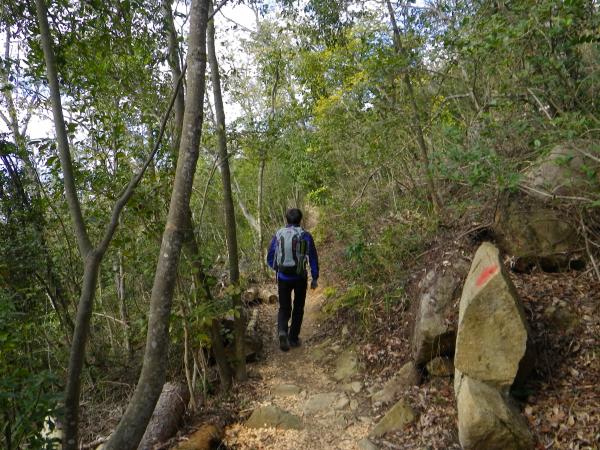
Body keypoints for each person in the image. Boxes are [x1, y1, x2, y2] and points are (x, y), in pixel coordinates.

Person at [267, 208, 319, 351]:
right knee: (298, 307)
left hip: (283, 277)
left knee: (284, 308)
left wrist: (278, 268)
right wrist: (315, 277)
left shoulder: (278, 234)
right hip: (300, 277)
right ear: (300, 220)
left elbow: (270, 257)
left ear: (287, 219)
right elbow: (313, 257)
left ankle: (282, 331)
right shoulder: (305, 235)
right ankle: (293, 338)